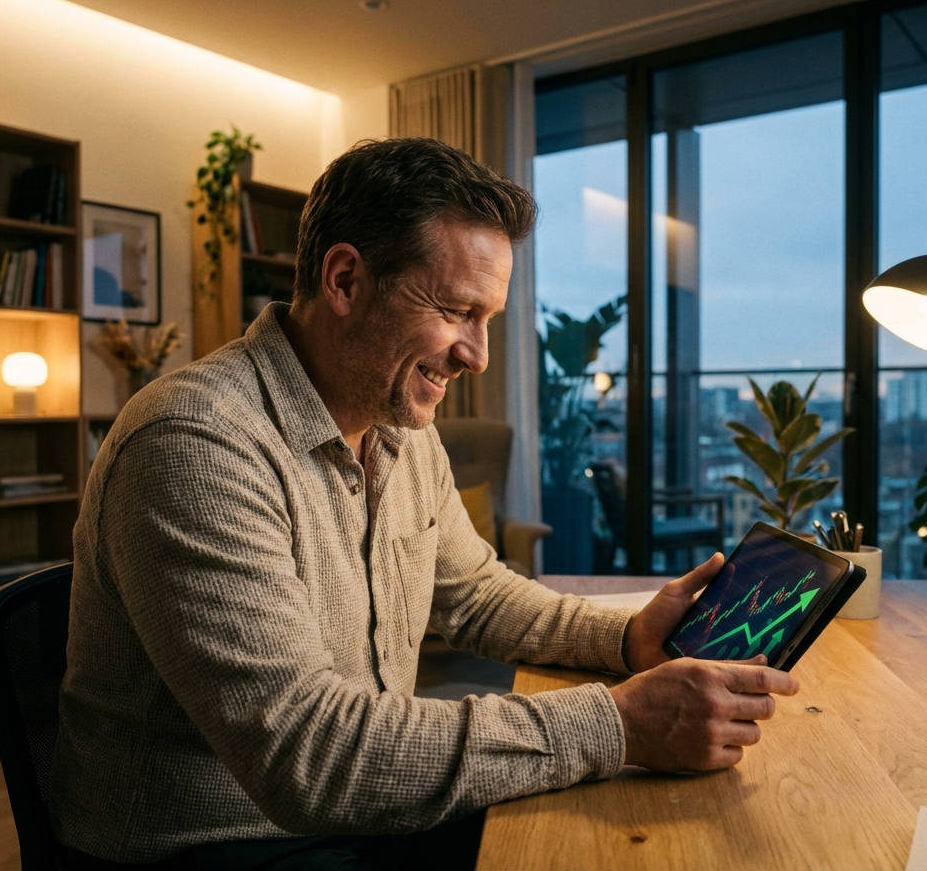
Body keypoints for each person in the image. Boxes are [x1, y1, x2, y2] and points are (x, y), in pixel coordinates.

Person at [49, 137, 799, 870]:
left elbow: (474, 594)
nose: (475, 354)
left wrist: (628, 638)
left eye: (488, 320)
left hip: (362, 814)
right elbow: (311, 757)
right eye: (455, 310)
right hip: (215, 845)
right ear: (345, 280)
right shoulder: (196, 444)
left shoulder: (397, 427)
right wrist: (618, 724)